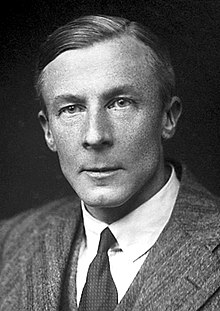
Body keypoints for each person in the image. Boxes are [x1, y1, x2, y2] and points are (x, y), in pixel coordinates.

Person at [0, 15, 219, 311]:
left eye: (120, 103)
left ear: (168, 117)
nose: (94, 136)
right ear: (48, 131)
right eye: (71, 108)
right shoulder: (9, 243)